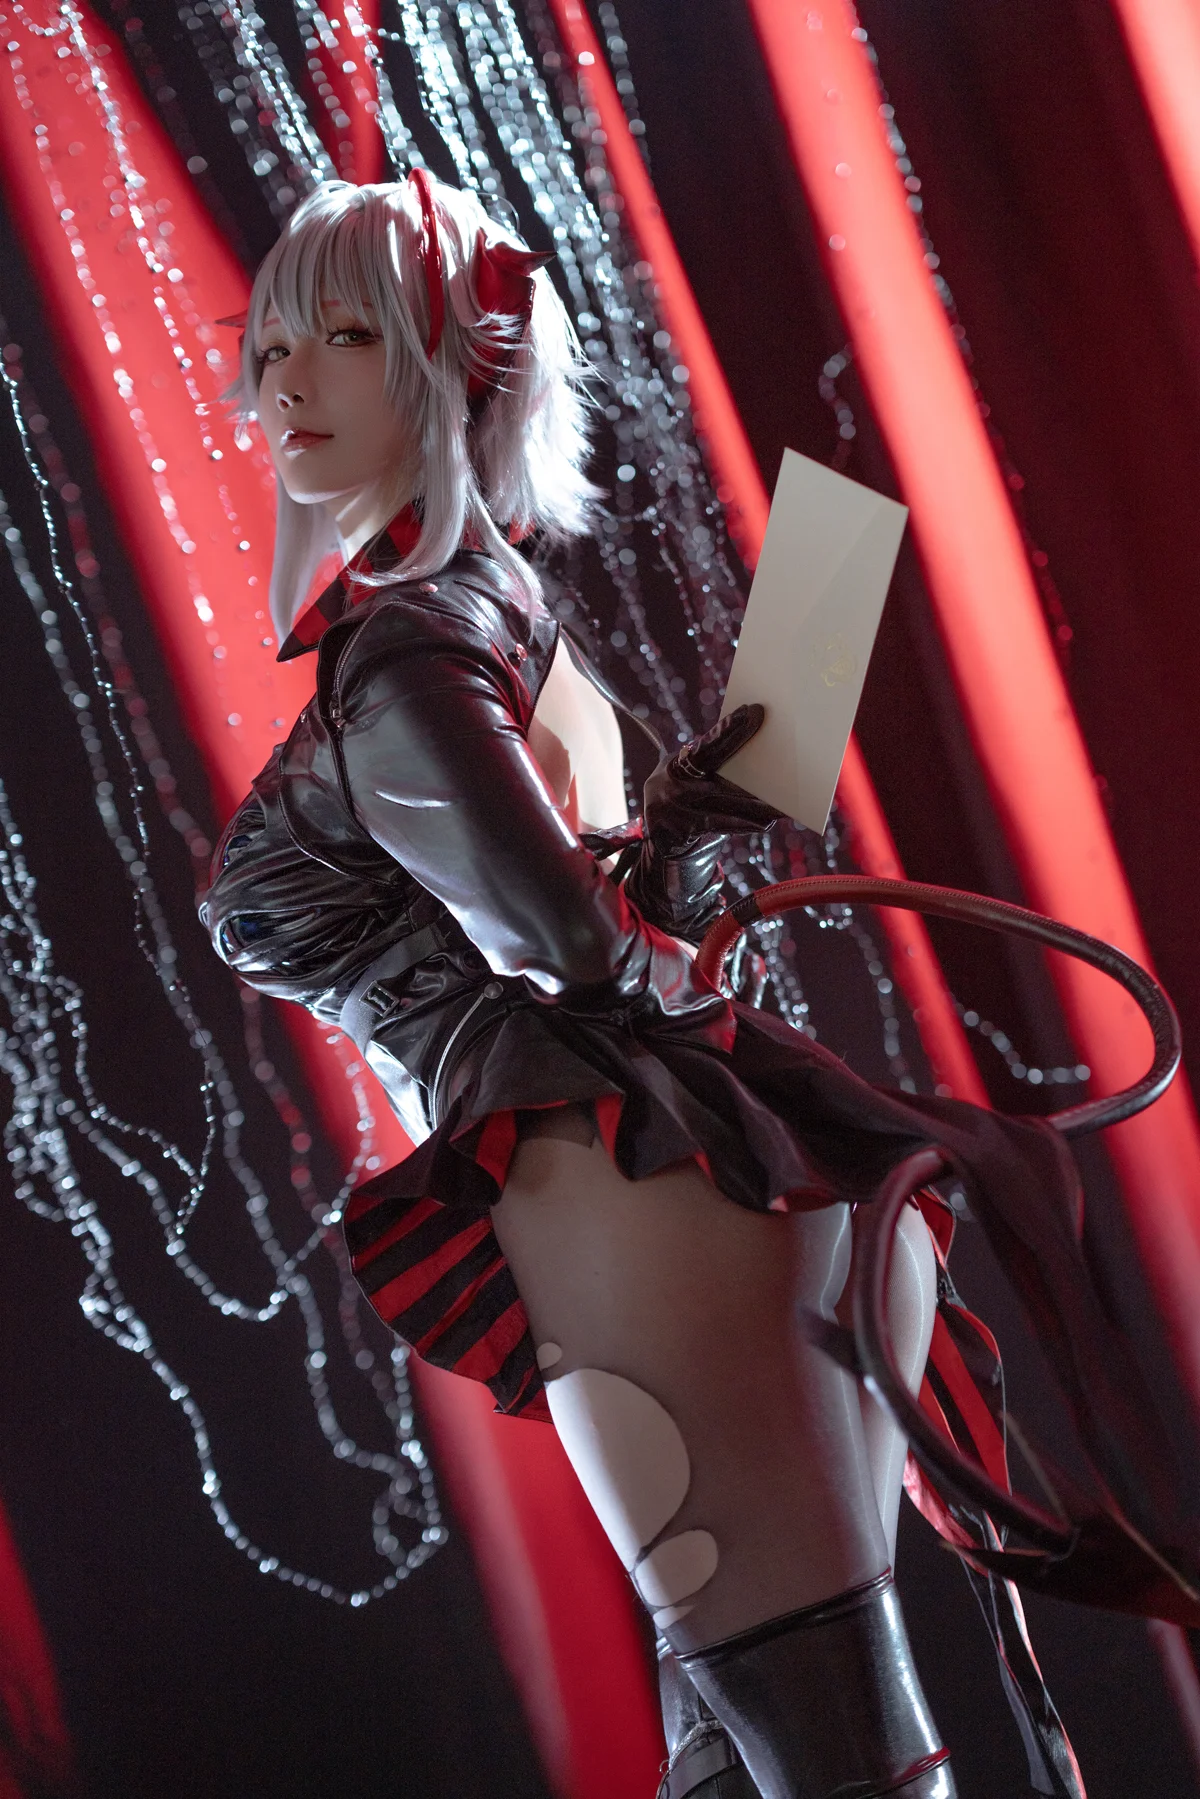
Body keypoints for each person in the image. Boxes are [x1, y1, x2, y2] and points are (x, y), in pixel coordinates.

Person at [199, 174, 1191, 1799]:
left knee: (830, 1747)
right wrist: (675, 848)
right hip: (684, 1178)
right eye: (276, 343)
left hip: (635, 1191)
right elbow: (611, 922)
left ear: (460, 370)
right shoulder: (498, 612)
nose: (284, 380)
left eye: (348, 335)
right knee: (745, 1753)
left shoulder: (411, 647)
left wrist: (642, 896)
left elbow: (571, 945)